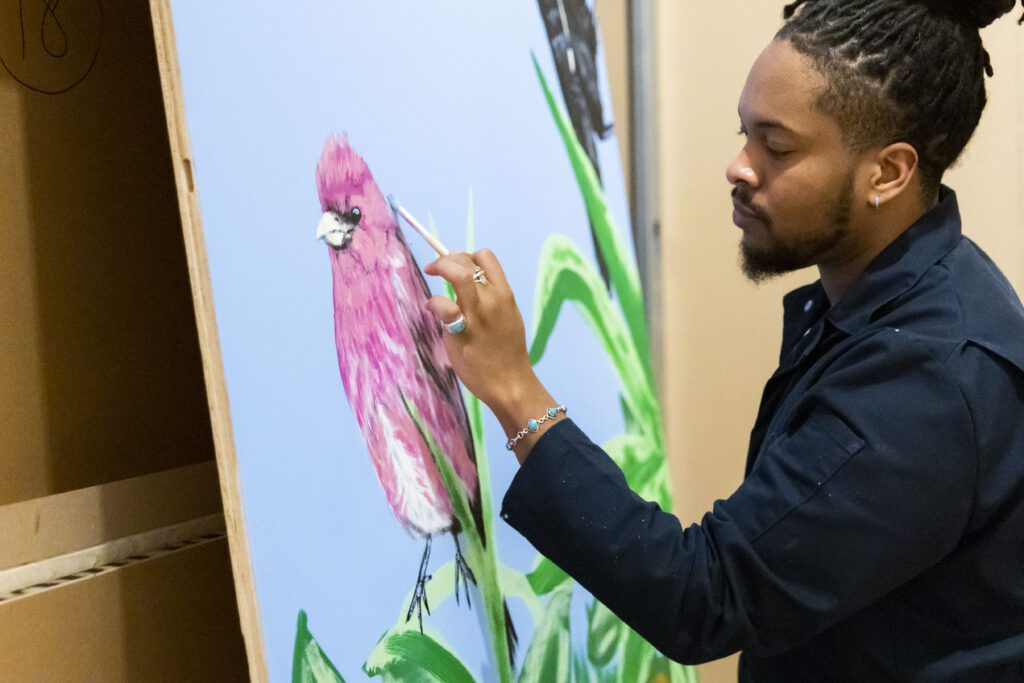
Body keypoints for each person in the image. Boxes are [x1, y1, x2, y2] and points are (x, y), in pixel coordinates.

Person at [424, 0, 1024, 679]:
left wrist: (512, 387)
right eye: (745, 133)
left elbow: (704, 593)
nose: (740, 167)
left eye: (778, 146)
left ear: (887, 172)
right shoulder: (905, 298)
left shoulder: (928, 382)